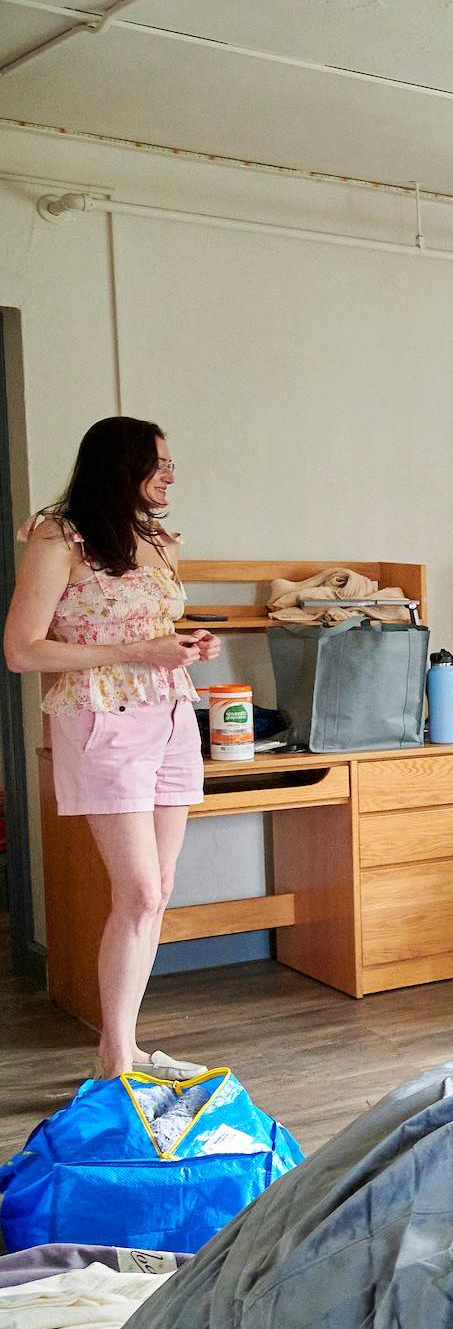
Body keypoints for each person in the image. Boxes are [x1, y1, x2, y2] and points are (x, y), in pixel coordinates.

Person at [4, 418, 222, 1078]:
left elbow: (155, 629)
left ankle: (121, 1050)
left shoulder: (158, 540)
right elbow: (22, 650)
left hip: (172, 715)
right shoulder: (58, 535)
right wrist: (138, 650)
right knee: (138, 892)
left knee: (158, 892)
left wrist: (187, 643)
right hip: (103, 718)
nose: (171, 474)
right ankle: (116, 1058)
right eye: (159, 462)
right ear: (120, 466)